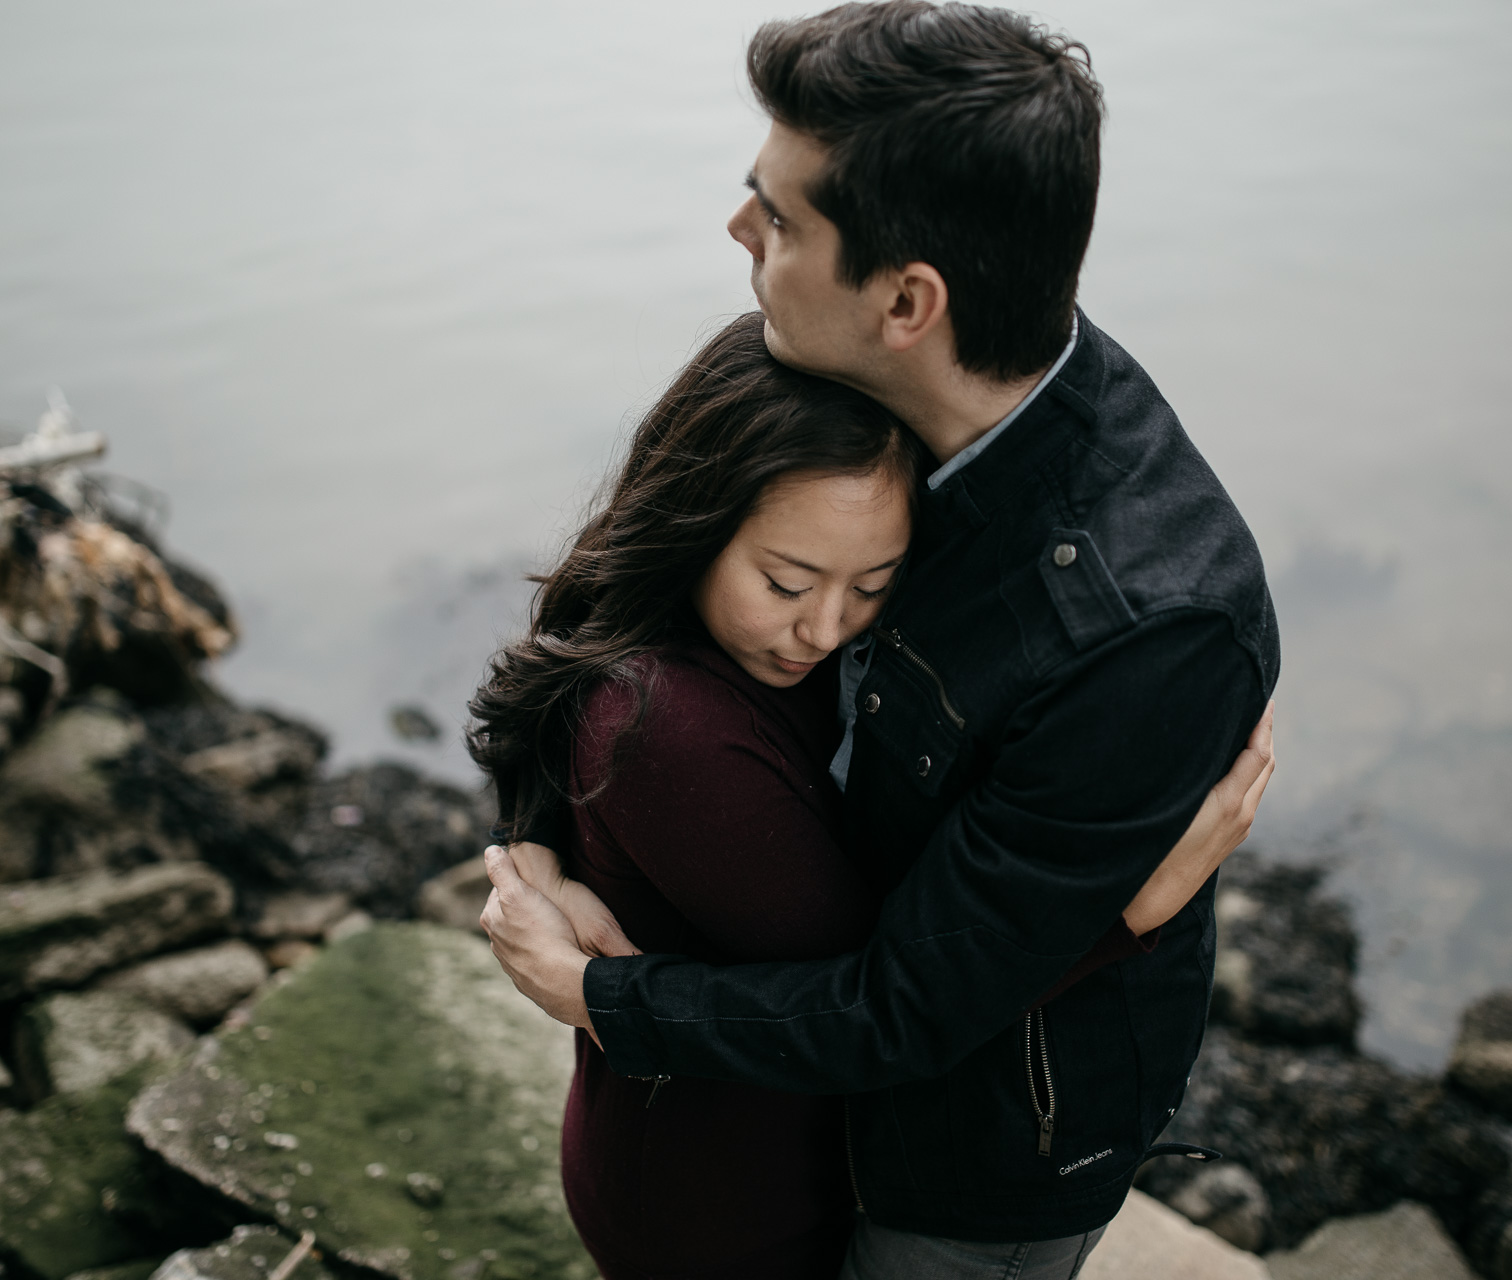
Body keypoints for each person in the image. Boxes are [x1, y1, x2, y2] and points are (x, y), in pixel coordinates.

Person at [480, 3, 1281, 1277]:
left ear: (908, 299)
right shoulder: (870, 399)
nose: (740, 230)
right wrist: (534, 838)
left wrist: (598, 995)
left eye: (783, 218)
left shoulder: (1145, 634)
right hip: (795, 1107)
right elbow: (603, 604)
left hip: (983, 1150)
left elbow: (907, 1003)